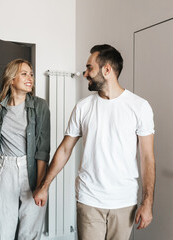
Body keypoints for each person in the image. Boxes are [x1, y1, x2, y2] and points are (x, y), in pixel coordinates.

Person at [33, 44, 155, 240]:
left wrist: (147, 202)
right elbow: (65, 149)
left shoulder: (139, 107)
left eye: (90, 68)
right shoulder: (83, 108)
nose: (85, 74)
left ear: (107, 70)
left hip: (124, 202)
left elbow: (147, 158)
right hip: (89, 199)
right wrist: (44, 186)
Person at [0, 59, 50, 240]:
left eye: (31, 74)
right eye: (24, 73)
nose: (30, 78)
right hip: (4, 168)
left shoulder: (40, 106)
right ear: (11, 79)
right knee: (0, 229)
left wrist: (40, 186)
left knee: (29, 231)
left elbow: (42, 150)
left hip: (30, 169)